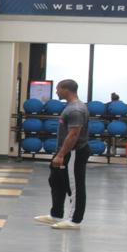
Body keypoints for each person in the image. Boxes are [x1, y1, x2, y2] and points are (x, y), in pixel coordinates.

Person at [37, 79, 89, 229]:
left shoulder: (76, 109)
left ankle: (74, 220)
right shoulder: (70, 107)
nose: (56, 92)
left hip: (73, 152)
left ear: (66, 89)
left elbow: (73, 135)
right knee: (56, 181)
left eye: (58, 89)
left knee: (74, 186)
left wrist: (61, 155)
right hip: (64, 151)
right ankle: (56, 214)